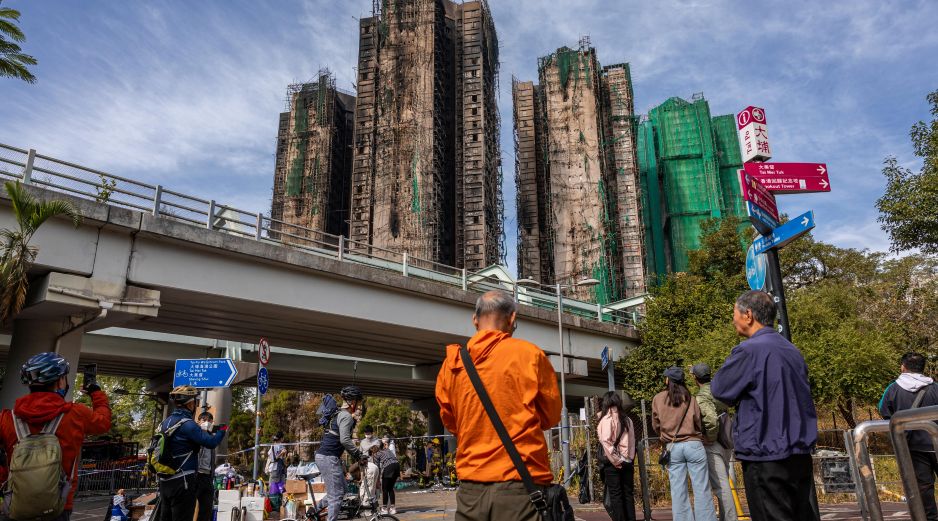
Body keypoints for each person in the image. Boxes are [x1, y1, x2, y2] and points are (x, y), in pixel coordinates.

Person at [436, 290, 561, 521]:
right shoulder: (530, 355)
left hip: (471, 488)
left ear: (475, 320)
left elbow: (452, 423)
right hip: (520, 485)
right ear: (512, 318)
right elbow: (550, 417)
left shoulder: (452, 365)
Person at [712, 290, 819, 521]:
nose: (733, 320)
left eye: (735, 314)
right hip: (799, 452)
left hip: (765, 451)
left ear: (748, 315)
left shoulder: (748, 350)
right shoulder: (791, 350)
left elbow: (720, 389)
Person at [0, 352, 111, 521]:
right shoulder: (76, 414)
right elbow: (103, 423)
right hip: (58, 506)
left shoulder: (7, 418)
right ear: (60, 381)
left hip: (16, 505)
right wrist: (96, 394)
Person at [652, 366, 716, 521]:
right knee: (702, 489)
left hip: (672, 447)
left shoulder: (658, 399)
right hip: (694, 445)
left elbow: (656, 425)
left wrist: (664, 435)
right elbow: (698, 422)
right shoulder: (691, 398)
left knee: (678, 491)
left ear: (668, 380)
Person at [879, 352, 938, 519]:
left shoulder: (893, 389)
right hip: (935, 442)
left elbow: (884, 410)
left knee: (923, 488)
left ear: (903, 367)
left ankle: (930, 517)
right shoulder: (935, 387)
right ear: (922, 368)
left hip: (913, 446)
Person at [157, 386, 227, 521]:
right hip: (183, 481)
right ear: (190, 403)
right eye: (195, 402)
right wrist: (222, 430)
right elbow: (211, 442)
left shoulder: (165, 423)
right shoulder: (188, 424)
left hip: (165, 480)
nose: (196, 405)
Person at [692, 363, 737, 521]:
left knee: (721, 486)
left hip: (714, 444)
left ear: (695, 377)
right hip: (727, 440)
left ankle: (731, 519)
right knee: (724, 482)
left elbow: (710, 419)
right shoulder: (719, 390)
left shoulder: (702, 396)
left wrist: (710, 438)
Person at [315, 385, 365, 521]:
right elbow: (345, 440)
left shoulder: (338, 414)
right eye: (359, 403)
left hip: (328, 457)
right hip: (328, 457)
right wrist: (358, 454)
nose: (359, 407)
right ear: (352, 402)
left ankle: (314, 511)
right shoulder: (346, 416)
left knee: (341, 491)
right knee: (336, 496)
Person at [596, 391, 636, 521]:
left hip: (613, 463)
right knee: (628, 494)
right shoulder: (627, 419)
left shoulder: (606, 419)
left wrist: (616, 460)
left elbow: (605, 441)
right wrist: (629, 459)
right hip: (628, 461)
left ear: (605, 403)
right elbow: (632, 442)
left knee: (616, 495)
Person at [195, 411, 218, 521]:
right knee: (190, 507)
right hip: (195, 475)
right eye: (204, 420)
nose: (207, 423)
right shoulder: (194, 435)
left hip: (207, 476)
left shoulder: (212, 438)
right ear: (198, 422)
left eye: (209, 421)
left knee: (207, 507)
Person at [372, 442, 401, 515]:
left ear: (372, 451)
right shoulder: (387, 450)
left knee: (384, 489)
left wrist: (377, 480)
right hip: (397, 466)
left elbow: (377, 468)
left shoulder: (376, 454)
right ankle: (393, 508)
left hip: (389, 467)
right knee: (390, 488)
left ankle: (384, 508)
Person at [267, 431, 287, 510]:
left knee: (281, 487)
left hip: (281, 470)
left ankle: (280, 506)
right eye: (283, 438)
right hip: (275, 470)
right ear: (281, 438)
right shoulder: (273, 446)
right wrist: (281, 453)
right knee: (274, 488)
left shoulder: (281, 446)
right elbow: (273, 459)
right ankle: (274, 507)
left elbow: (283, 459)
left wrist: (284, 454)